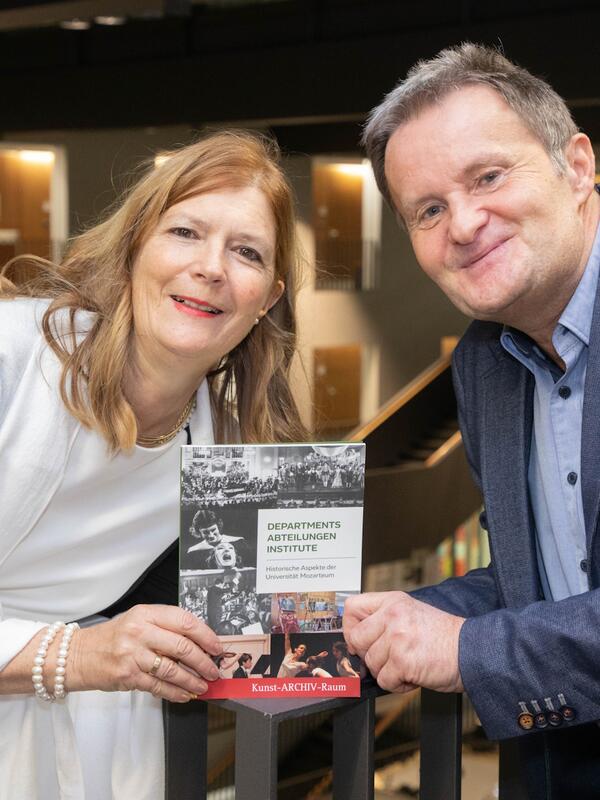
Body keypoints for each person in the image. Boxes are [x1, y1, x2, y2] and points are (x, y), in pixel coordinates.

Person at [0, 129, 306, 800]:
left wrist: (330, 627)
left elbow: (267, 646)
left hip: (95, 742)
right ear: (137, 245)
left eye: (246, 252)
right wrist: (81, 656)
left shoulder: (230, 443)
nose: (212, 267)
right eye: (186, 233)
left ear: (267, 298)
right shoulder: (13, 357)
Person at [343, 43, 600, 799]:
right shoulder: (484, 366)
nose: (462, 222)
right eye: (427, 210)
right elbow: (543, 586)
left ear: (578, 166)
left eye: (487, 177)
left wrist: (469, 649)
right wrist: (394, 621)